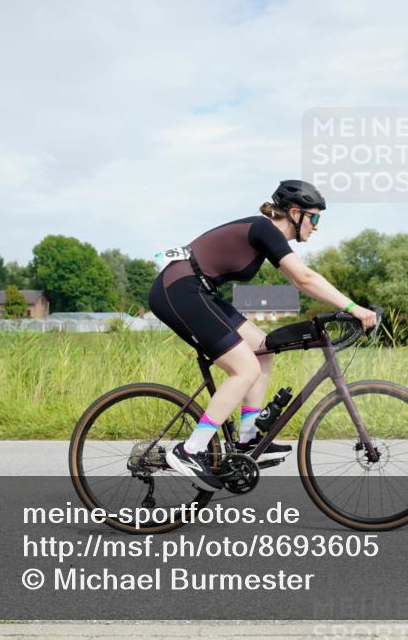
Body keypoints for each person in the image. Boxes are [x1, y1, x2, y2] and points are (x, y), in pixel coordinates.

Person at [148, 180, 378, 491]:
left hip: (198, 290)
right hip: (179, 289)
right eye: (315, 217)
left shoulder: (265, 236)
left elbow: (299, 280)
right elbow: (304, 278)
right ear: (294, 213)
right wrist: (354, 308)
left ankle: (246, 440)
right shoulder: (264, 228)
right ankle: (190, 450)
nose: (317, 226)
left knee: (263, 348)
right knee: (245, 368)